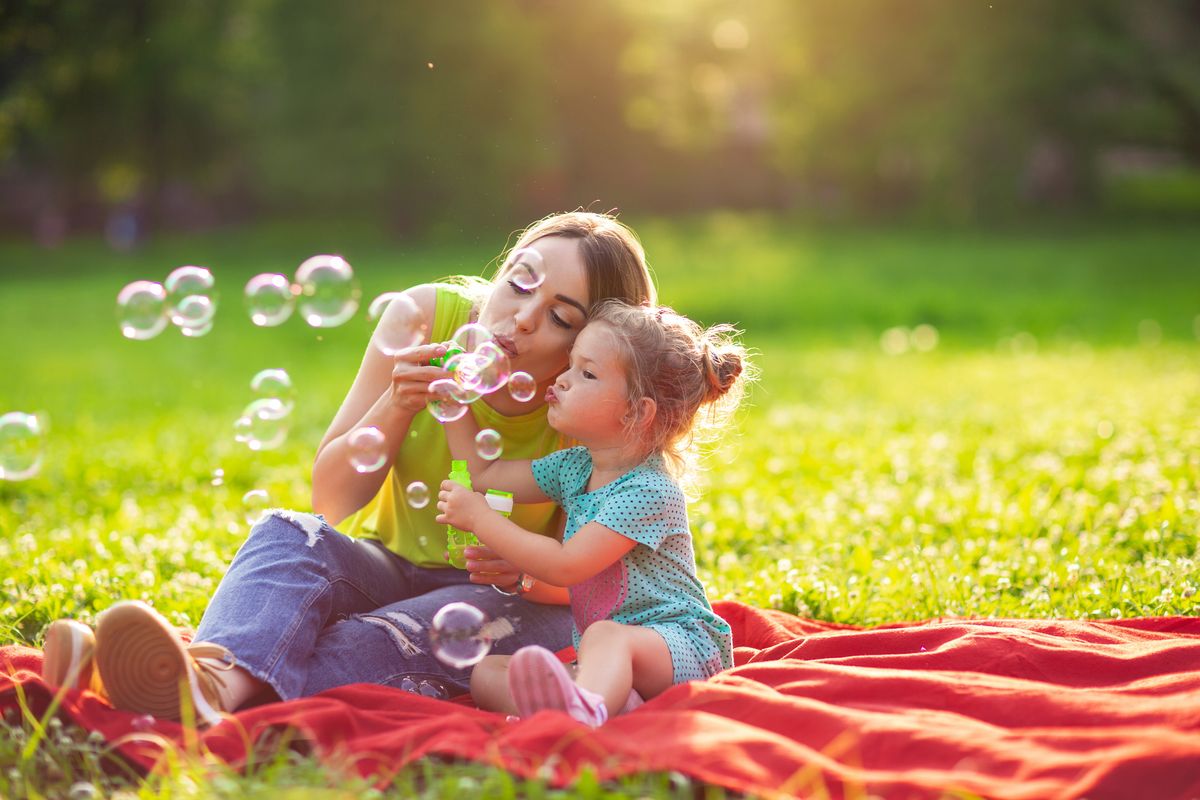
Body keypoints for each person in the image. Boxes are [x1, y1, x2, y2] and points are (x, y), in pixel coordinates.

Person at [40, 211, 657, 726]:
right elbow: (331, 500)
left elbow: (601, 584)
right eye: (521, 282)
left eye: (561, 318)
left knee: (387, 635)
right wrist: (398, 402)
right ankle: (205, 683)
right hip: (388, 564)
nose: (522, 317)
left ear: (595, 343)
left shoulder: (595, 405)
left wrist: (523, 571)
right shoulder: (427, 318)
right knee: (289, 533)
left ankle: (173, 680)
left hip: (512, 601)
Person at [435, 299, 750, 726]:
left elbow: (567, 566)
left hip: (684, 647)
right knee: (488, 672)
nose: (561, 380)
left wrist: (480, 519)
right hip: (608, 659)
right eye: (571, 365)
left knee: (606, 636)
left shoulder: (649, 490)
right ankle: (609, 704)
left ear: (636, 412)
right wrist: (453, 399)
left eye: (586, 373)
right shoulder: (575, 466)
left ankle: (582, 714)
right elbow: (484, 470)